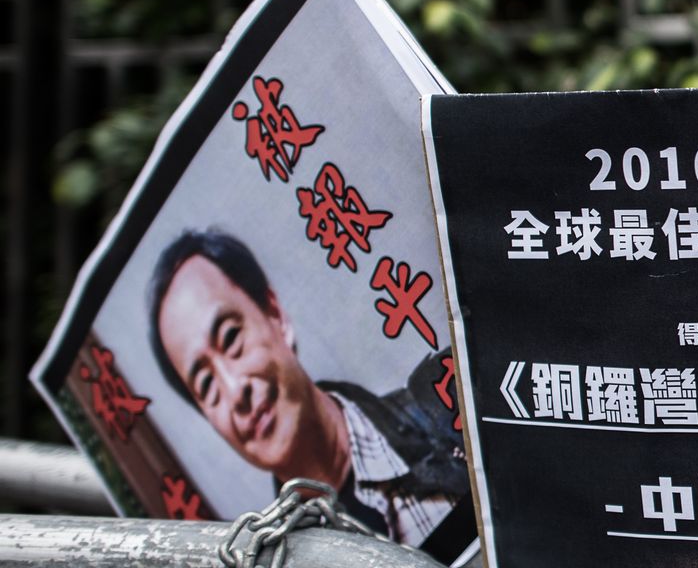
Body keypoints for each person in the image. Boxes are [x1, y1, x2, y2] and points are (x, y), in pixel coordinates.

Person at [146, 228, 466, 545]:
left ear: (275, 315)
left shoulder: (449, 405)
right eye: (206, 384)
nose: (234, 390)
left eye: (230, 337)